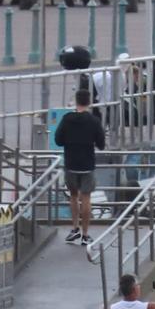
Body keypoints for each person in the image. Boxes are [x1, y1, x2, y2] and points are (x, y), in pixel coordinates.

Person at [55, 88, 107, 246]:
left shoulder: (66, 119)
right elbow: (101, 145)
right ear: (89, 102)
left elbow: (58, 140)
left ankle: (74, 228)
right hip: (87, 165)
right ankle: (85, 234)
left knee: (73, 197)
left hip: (71, 164)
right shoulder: (93, 121)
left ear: (76, 101)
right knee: (86, 198)